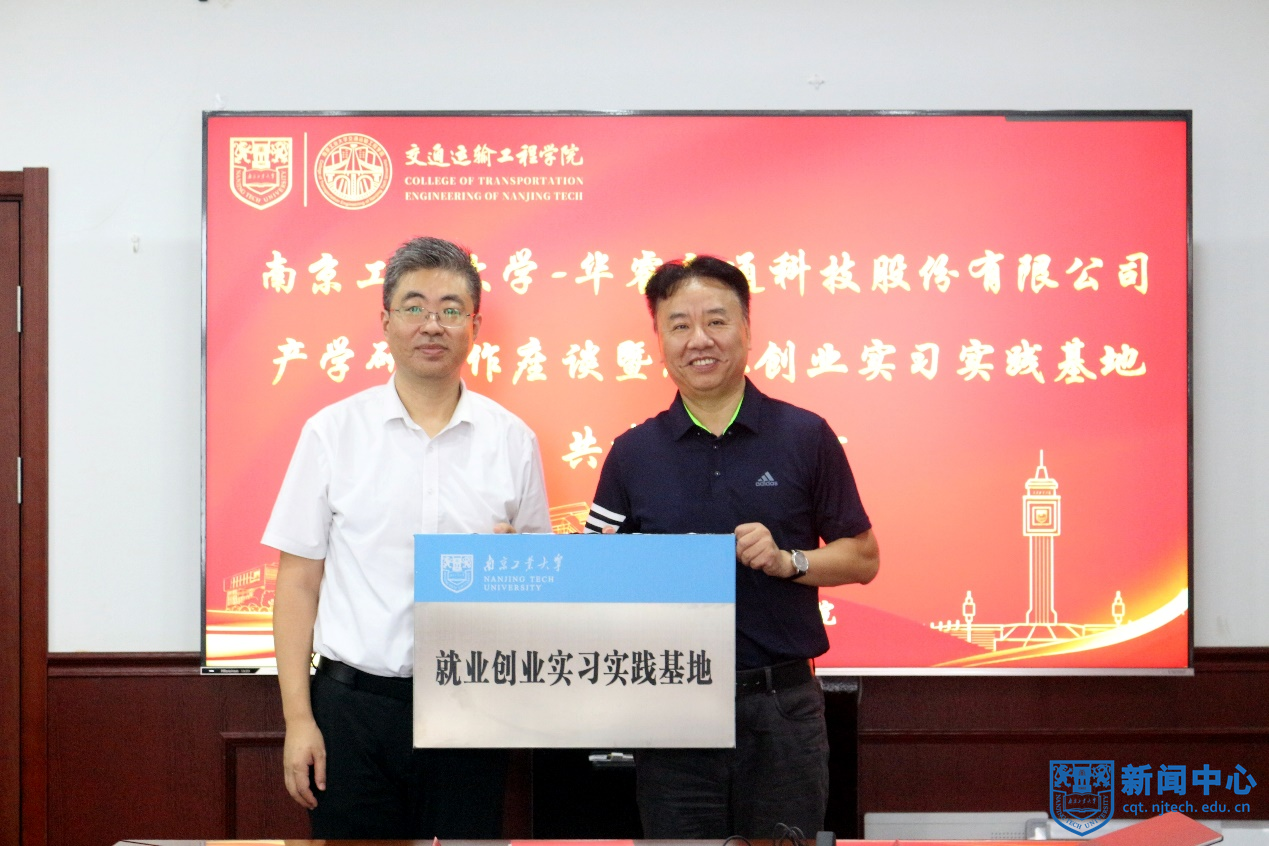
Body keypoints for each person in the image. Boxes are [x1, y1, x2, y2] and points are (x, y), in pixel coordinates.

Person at [264, 236, 552, 839]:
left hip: (473, 703)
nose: (432, 324)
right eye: (415, 306)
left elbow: (539, 584)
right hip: (352, 708)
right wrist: (299, 720)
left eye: (451, 309)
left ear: (475, 326)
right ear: (386, 321)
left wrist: (514, 567)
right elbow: (297, 583)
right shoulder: (332, 432)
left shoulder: (512, 440)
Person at [584, 255, 879, 839]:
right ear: (659, 340)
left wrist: (789, 561)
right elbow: (592, 574)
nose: (700, 339)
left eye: (716, 321)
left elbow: (863, 557)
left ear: (747, 329)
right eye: (680, 325)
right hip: (671, 707)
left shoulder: (805, 435)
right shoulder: (633, 454)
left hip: (781, 709)